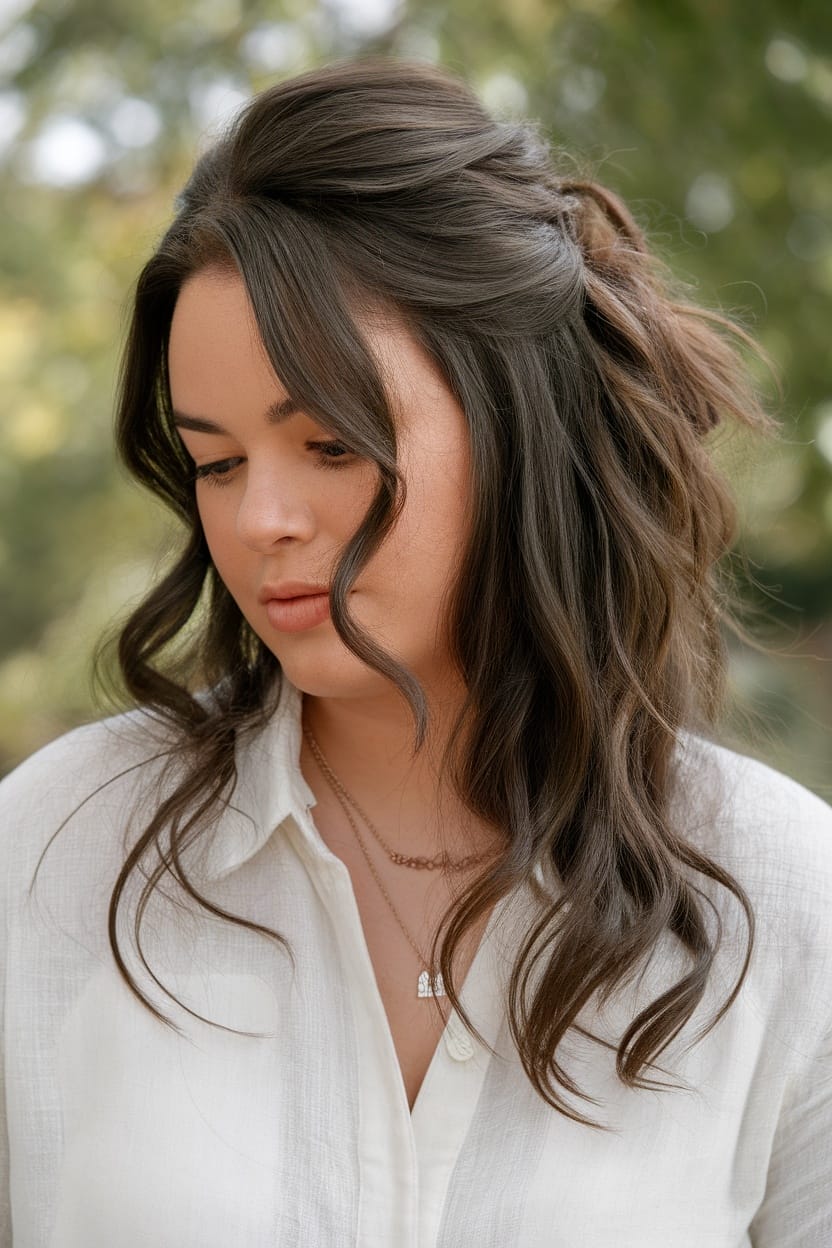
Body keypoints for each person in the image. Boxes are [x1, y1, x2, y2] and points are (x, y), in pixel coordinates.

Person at [1, 58, 830, 1248]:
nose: (259, 520)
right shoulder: (52, 857)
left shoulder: (782, 901)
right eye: (218, 462)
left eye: (329, 444)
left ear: (517, 426)